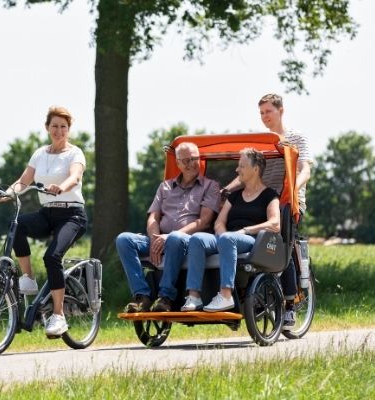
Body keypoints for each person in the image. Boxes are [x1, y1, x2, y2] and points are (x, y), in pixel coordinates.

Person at [0, 106, 87, 337]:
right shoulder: (40, 154)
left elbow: (75, 177)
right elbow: (23, 182)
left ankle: (58, 316)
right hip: (48, 213)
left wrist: (61, 187)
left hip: (72, 214)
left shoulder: (75, 153)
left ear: (68, 130)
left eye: (63, 127)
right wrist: (7, 194)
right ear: (47, 128)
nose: (58, 130)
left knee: (52, 257)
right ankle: (28, 279)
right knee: (17, 225)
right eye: (54, 126)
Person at [222, 93, 314, 327]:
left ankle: (290, 305)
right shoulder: (260, 143)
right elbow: (246, 175)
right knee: (261, 245)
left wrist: (293, 190)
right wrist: (226, 190)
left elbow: (305, 170)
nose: (264, 117)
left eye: (268, 112)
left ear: (281, 111)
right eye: (261, 113)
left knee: (282, 243)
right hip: (263, 200)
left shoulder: (295, 137)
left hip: (288, 201)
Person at [116, 142, 221, 313]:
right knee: (124, 239)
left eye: (194, 159)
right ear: (177, 163)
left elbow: (204, 221)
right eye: (185, 160)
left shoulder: (211, 186)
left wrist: (169, 236)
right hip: (161, 238)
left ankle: (165, 297)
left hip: (189, 241)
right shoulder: (164, 186)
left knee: (175, 238)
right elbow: (153, 217)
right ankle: (142, 296)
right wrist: (155, 238)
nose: (191, 164)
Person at [182, 148, 280, 312]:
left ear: (255, 169)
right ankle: (194, 297)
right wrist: (223, 235)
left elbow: (275, 223)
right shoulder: (234, 196)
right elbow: (219, 223)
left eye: (241, 166)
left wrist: (245, 231)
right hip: (228, 237)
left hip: (252, 240)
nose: (237, 170)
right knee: (197, 239)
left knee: (228, 239)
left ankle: (226, 295)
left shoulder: (269, 195)